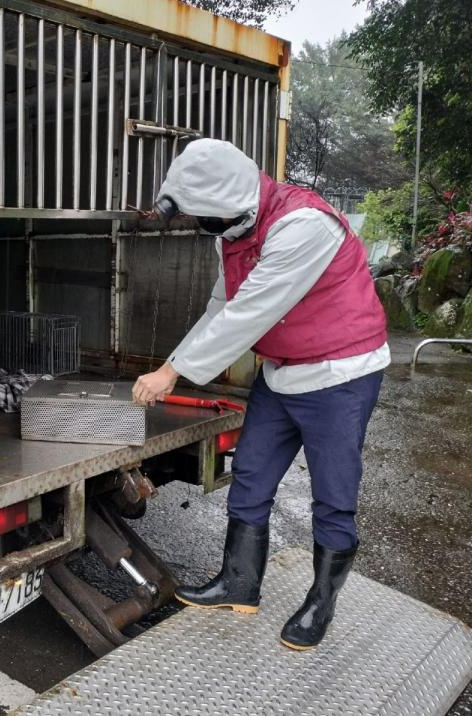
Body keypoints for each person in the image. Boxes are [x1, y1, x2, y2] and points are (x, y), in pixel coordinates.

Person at [131, 139, 389, 650]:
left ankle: (321, 604)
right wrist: (171, 368)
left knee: (333, 498)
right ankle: (239, 584)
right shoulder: (231, 231)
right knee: (250, 475)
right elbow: (218, 308)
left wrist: (171, 373)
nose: (203, 229)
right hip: (281, 370)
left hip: (340, 374)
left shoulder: (303, 226)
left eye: (205, 220)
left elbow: (249, 313)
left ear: (235, 207)